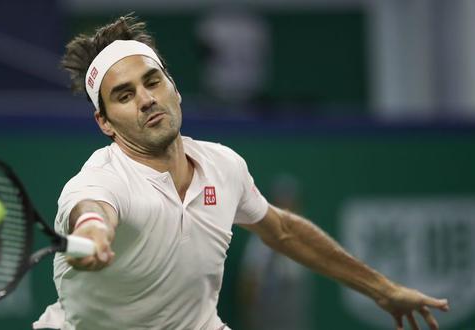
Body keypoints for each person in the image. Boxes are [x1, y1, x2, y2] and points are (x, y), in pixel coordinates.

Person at [34, 14, 449, 330]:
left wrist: (383, 289)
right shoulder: (100, 181)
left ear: (173, 88)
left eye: (153, 81)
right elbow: (91, 214)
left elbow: (282, 231)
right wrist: (93, 236)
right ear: (104, 123)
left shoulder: (224, 165)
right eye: (124, 95)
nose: (145, 99)